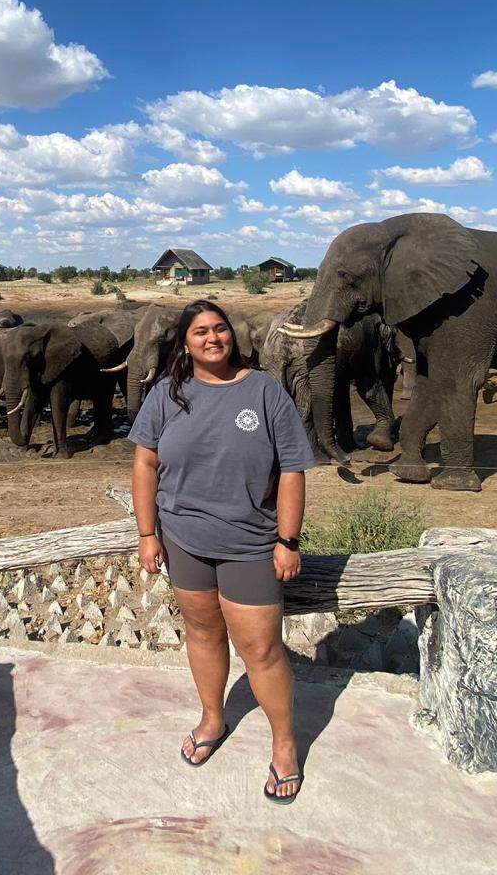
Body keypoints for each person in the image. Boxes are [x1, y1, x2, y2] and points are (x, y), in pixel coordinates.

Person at [128, 299, 314, 803]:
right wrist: (148, 534)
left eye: (220, 329)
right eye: (200, 332)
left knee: (261, 650)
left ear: (233, 335)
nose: (213, 339)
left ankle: (284, 745)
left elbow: (293, 469)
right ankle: (213, 718)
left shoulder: (264, 390)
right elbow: (145, 465)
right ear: (185, 344)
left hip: (250, 543)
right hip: (184, 540)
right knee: (204, 633)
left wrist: (287, 540)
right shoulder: (167, 394)